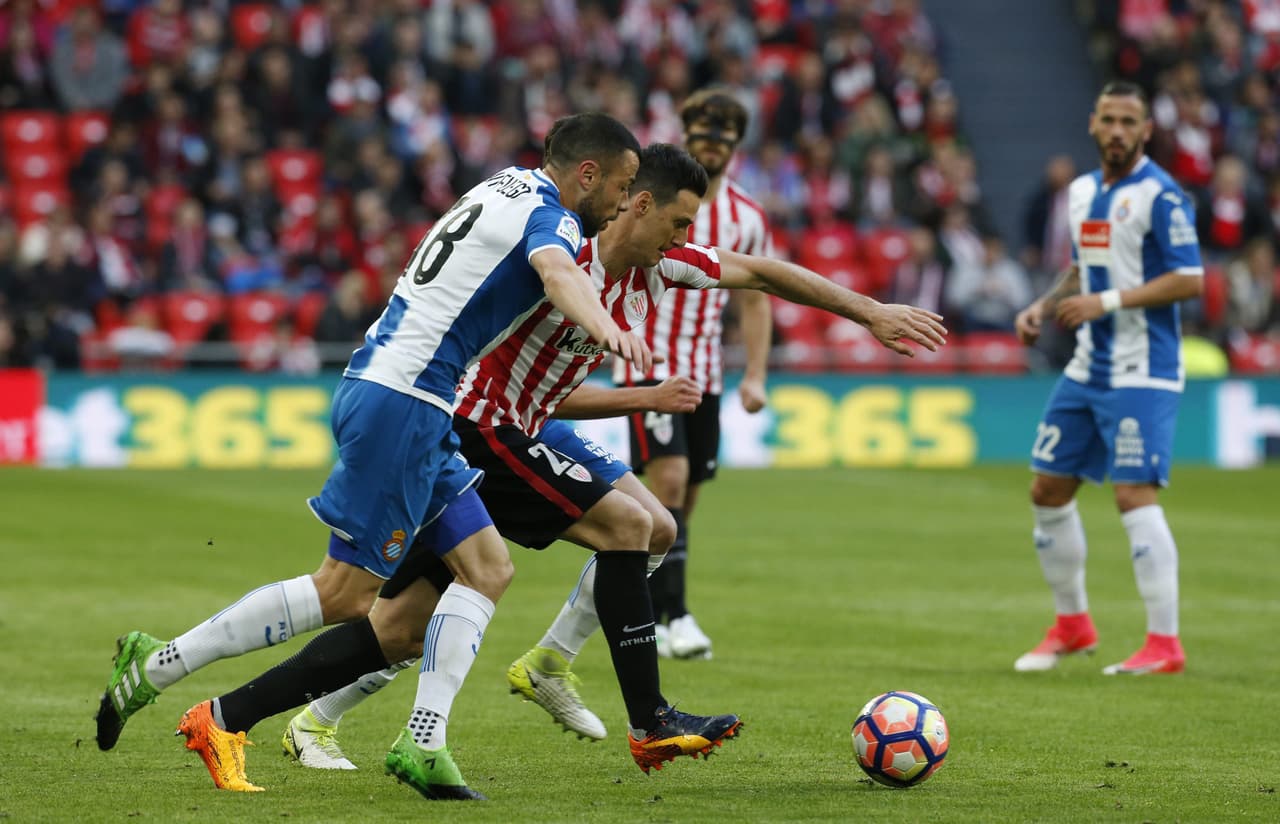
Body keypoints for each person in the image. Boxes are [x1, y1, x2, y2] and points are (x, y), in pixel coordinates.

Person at [265, 143, 945, 773]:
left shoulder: (663, 264)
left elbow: (762, 273)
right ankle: (640, 716)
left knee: (639, 533)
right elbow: (520, 375)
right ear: (638, 202)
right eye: (677, 223)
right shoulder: (563, 261)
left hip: (525, 425)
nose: (685, 243)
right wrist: (638, 389)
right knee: (593, 542)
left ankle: (529, 668)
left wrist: (869, 310)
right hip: (478, 431)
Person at [94, 112, 650, 798]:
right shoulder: (555, 216)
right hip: (405, 401)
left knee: (486, 567)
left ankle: (424, 743)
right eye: (621, 186)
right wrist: (604, 327)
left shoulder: (502, 185)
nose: (623, 202)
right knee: (344, 593)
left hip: (409, 395)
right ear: (586, 173)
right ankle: (163, 663)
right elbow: (555, 268)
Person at [1011, 81, 1203, 676]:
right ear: (1093, 123)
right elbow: (1081, 268)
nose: (1118, 130)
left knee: (1132, 494)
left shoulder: (1162, 196)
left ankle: (1164, 644)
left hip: (1143, 369)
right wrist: (1044, 304)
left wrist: (1108, 302)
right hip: (1087, 366)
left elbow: (1190, 278)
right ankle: (1073, 625)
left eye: (1130, 121)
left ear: (1146, 129)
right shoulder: (1081, 191)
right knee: (1047, 490)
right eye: (1110, 119)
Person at [615, 88, 774, 660]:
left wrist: (754, 375)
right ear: (687, 137)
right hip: (652, 365)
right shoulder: (656, 200)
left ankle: (652, 608)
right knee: (672, 482)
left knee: (682, 503)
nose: (713, 149)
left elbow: (756, 300)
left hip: (706, 373)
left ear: (735, 148)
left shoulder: (747, 218)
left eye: (722, 141)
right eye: (702, 138)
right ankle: (675, 617)